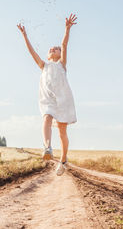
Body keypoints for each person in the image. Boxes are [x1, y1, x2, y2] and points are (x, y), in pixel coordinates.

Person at [17, 14, 78, 176]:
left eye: (56, 49)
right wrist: (25, 35)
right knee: (46, 118)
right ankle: (48, 147)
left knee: (62, 133)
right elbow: (31, 52)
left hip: (63, 100)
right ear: (47, 55)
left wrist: (67, 29)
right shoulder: (43, 65)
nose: (54, 48)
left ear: (59, 54)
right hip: (48, 100)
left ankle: (63, 159)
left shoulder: (61, 65)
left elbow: (64, 44)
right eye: (51, 48)